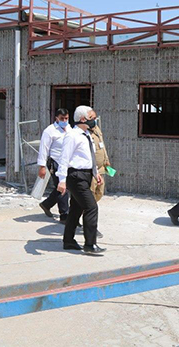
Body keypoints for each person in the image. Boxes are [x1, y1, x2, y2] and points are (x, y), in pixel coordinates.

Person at [56, 105, 105, 254]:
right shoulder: (72, 135)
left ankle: (68, 241)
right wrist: (62, 180)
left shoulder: (87, 134)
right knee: (91, 207)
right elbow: (64, 158)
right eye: (92, 117)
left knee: (76, 209)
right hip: (76, 176)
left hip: (86, 175)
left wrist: (95, 173)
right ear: (83, 119)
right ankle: (90, 244)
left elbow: (89, 157)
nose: (94, 120)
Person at [37, 108, 71, 223]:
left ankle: (47, 204)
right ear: (56, 118)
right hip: (55, 162)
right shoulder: (50, 131)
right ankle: (64, 215)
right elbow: (43, 149)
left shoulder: (69, 128)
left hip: (66, 163)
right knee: (62, 189)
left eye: (66, 118)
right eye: (62, 118)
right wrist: (42, 167)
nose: (64, 121)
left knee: (63, 187)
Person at [89, 122, 111, 203]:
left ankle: (91, 206)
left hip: (101, 167)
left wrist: (106, 159)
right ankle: (90, 207)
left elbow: (102, 145)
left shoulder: (97, 129)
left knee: (100, 191)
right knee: (91, 191)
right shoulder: (85, 132)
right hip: (92, 169)